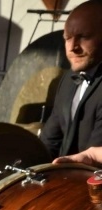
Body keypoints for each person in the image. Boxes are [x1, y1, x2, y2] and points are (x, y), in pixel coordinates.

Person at [40, 0, 102, 159]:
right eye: (68, 38)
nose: (73, 47)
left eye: (84, 37)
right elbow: (50, 141)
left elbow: (93, 159)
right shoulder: (68, 79)